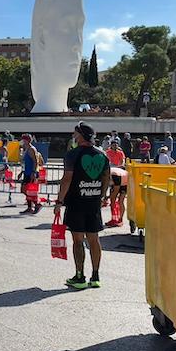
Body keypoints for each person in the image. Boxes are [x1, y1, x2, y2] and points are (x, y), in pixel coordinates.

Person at [55, 122, 110, 289]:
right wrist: (101, 195)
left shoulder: (72, 155)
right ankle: (95, 276)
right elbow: (106, 177)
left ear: (80, 135)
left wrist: (59, 201)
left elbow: (67, 180)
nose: (73, 135)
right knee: (94, 239)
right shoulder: (102, 154)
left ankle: (79, 277)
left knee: (78, 240)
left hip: (76, 202)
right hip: (93, 202)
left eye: (75, 133)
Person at [19, 134, 41, 214]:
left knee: (29, 191)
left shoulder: (31, 149)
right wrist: (21, 172)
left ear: (27, 140)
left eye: (23, 140)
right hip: (27, 172)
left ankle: (36, 204)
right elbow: (25, 163)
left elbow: (35, 161)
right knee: (24, 190)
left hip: (31, 173)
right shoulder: (26, 149)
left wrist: (34, 172)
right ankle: (30, 206)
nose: (21, 141)